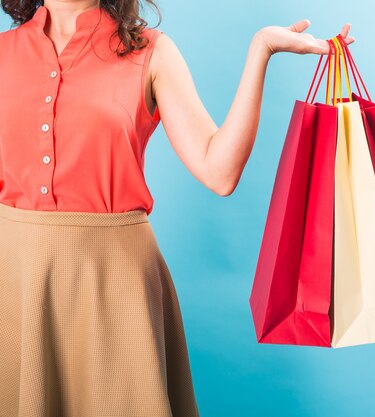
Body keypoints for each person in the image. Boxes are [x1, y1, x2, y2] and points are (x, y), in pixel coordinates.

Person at [0, 0, 354, 415]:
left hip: (115, 283)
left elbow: (218, 171)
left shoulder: (150, 51)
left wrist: (261, 50)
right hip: (15, 283)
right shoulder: (4, 52)